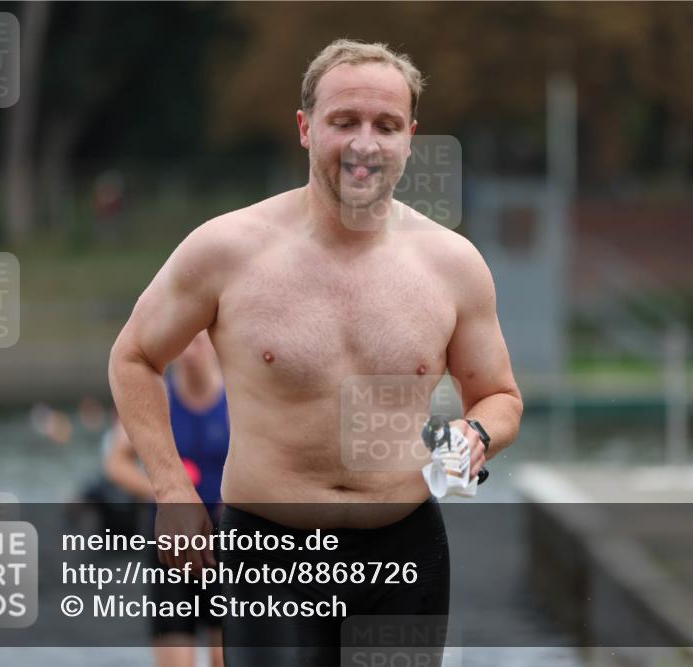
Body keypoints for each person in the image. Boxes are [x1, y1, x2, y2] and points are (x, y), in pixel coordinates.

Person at [108, 38, 523, 666]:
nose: (364, 144)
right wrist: (172, 491)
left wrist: (473, 435)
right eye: (344, 122)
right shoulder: (227, 250)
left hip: (403, 551)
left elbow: (500, 396)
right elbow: (134, 356)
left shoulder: (452, 265)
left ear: (411, 137)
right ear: (305, 128)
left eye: (385, 125)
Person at [106, 330, 229, 667]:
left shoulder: (236, 397)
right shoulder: (159, 396)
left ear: (215, 347)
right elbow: (116, 462)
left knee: (223, 658)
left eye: (198, 343)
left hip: (224, 543)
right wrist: (168, 492)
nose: (189, 353)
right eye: (183, 344)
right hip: (171, 544)